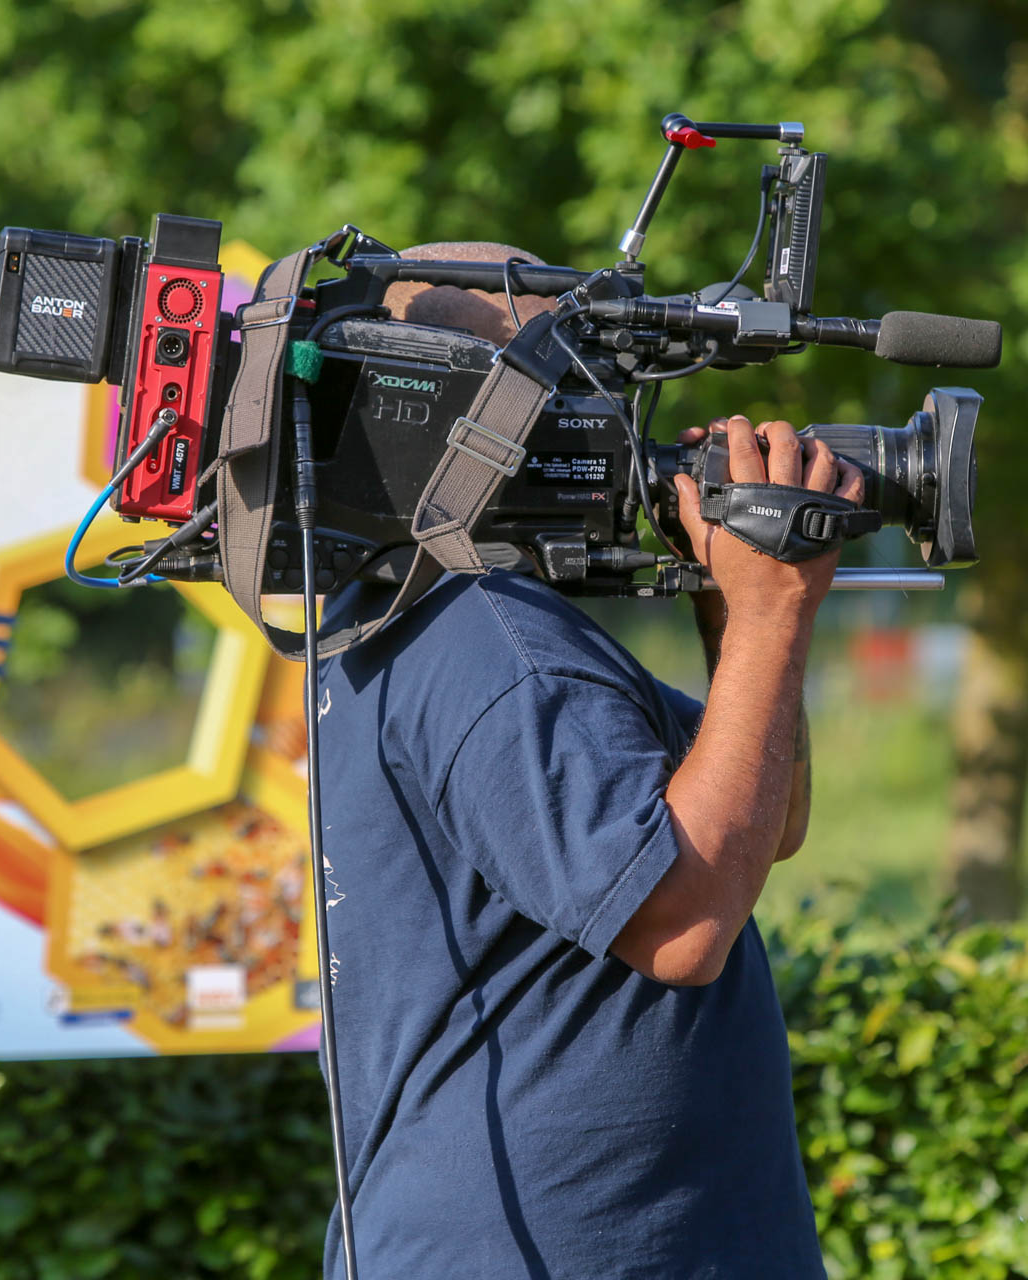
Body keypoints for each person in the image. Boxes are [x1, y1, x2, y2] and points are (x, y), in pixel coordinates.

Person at [313, 242, 861, 1278]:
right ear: (466, 409)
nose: (602, 414)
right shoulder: (492, 638)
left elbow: (763, 822)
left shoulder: (411, 604)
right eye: (568, 382)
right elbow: (686, 922)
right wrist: (774, 608)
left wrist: (734, 609)